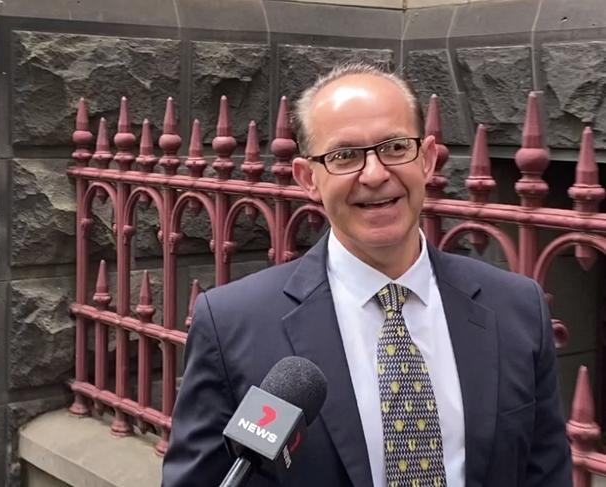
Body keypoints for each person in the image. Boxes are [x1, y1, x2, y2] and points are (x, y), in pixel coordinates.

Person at [161, 63, 571, 487]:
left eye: (395, 147)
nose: (375, 175)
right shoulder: (232, 326)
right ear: (308, 179)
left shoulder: (517, 309)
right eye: (344, 156)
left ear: (428, 160)